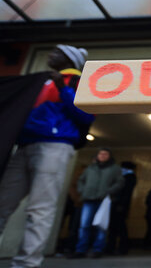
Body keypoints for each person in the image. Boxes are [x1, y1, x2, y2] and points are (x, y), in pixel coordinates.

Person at [0, 45, 94, 268]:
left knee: (40, 208)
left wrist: (64, 89)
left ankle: (26, 263)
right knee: (2, 204)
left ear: (70, 60)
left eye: (57, 53)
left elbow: (86, 114)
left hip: (55, 146)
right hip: (23, 146)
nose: (50, 55)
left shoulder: (78, 82)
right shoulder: (39, 82)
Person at [71, 148, 124, 258]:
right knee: (84, 225)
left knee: (101, 225)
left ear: (110, 156)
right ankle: (81, 249)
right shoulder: (90, 168)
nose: (103, 156)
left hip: (104, 201)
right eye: (101, 153)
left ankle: (98, 249)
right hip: (88, 199)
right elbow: (81, 180)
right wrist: (82, 190)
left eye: (105, 154)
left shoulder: (114, 169)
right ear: (97, 155)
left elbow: (120, 182)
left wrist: (108, 191)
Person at [106, 161, 137, 255]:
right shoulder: (126, 177)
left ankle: (122, 248)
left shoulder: (130, 177)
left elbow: (126, 193)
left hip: (120, 205)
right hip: (117, 204)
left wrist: (122, 205)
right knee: (114, 227)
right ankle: (111, 248)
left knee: (120, 227)